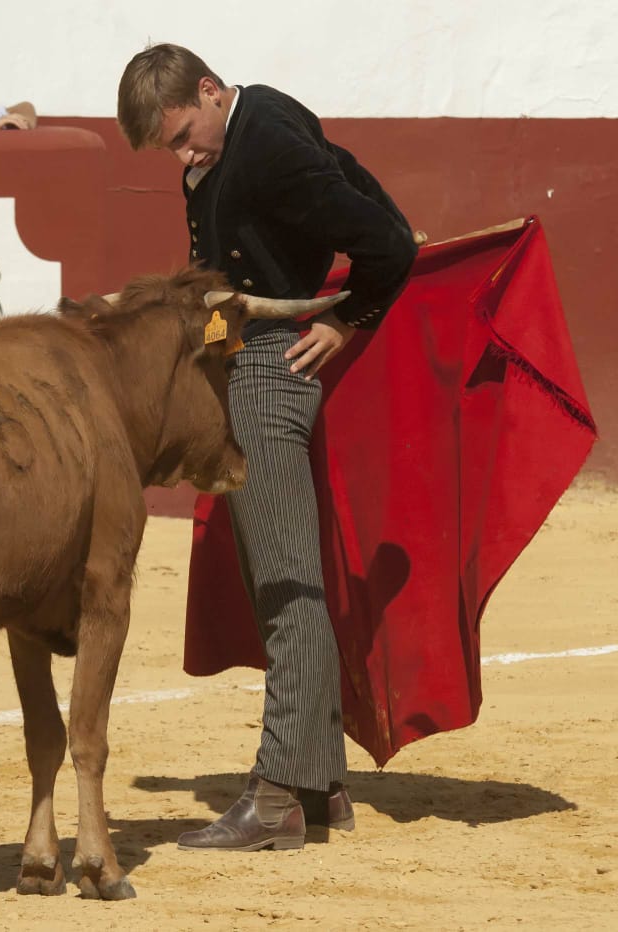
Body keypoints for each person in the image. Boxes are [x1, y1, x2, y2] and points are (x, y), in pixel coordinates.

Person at [117, 43, 418, 851]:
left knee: (286, 586)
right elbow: (226, 284)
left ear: (209, 91)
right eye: (171, 149)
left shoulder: (270, 143)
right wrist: (204, 353)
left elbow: (391, 240)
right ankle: (321, 786)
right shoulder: (250, 129)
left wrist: (345, 319)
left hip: (272, 373)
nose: (183, 157)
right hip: (245, 365)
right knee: (276, 581)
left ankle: (280, 793)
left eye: (184, 136)